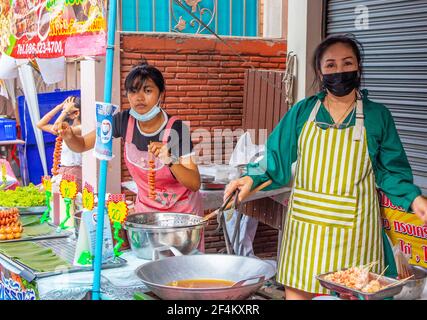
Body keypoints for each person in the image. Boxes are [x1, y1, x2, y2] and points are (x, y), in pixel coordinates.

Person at [224, 34, 427, 300]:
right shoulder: (302, 112)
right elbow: (275, 159)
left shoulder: (378, 116)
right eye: (330, 65)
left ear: (358, 67)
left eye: (347, 63)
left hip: (355, 236)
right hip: (305, 236)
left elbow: (391, 171)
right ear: (320, 72)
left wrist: (414, 198)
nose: (339, 71)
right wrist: (250, 179)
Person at [57, 61, 203, 224]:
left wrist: (170, 159)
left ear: (161, 94)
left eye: (147, 91)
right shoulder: (123, 121)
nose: (139, 98)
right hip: (146, 215)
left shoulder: (177, 129)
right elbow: (82, 144)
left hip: (180, 217)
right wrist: (69, 136)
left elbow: (194, 182)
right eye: (133, 91)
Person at [36, 96, 82, 190]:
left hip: (74, 173)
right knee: (43, 192)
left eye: (67, 111)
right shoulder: (67, 128)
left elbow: (56, 128)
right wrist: (60, 106)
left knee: (60, 201)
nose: (64, 114)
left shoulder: (80, 128)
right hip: (62, 171)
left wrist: (64, 111)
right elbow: (40, 124)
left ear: (76, 113)